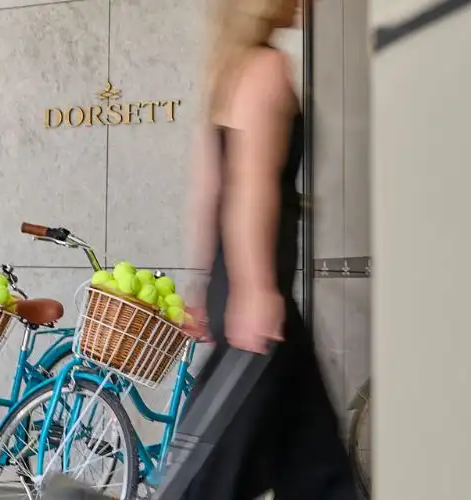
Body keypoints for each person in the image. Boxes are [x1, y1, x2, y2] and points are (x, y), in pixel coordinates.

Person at [181, 1, 357, 498]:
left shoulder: (228, 71)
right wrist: (254, 287)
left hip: (237, 287)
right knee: (220, 471)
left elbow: (207, 189)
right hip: (255, 293)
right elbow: (249, 184)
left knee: (314, 463)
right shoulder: (264, 68)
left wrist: (206, 284)